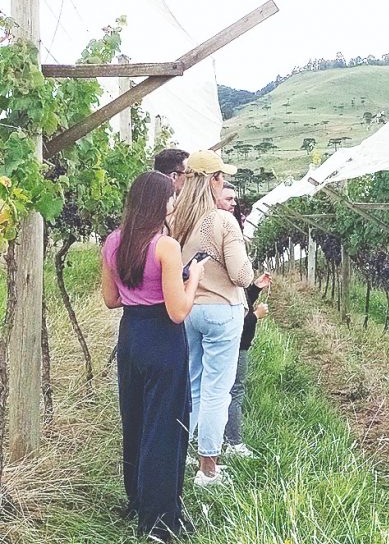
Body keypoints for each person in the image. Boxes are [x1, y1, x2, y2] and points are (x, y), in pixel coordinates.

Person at [101, 171, 207, 540]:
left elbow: (111, 299)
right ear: (158, 203)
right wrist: (192, 278)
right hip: (162, 338)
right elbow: (177, 311)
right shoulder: (165, 246)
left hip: (131, 336)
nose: (173, 203)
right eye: (170, 197)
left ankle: (137, 500)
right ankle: (160, 519)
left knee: (135, 420)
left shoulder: (113, 242)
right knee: (165, 427)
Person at [170, 150, 256, 486]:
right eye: (221, 177)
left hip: (189, 308)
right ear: (213, 181)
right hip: (223, 309)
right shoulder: (222, 220)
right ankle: (208, 468)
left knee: (193, 385)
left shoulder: (176, 219)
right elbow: (240, 274)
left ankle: (181, 455)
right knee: (218, 391)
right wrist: (247, 267)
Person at [215, 181, 271, 456]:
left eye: (235, 199)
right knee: (231, 390)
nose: (233, 203)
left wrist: (255, 289)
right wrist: (254, 318)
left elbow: (237, 293)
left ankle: (207, 446)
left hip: (233, 328)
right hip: (234, 333)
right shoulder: (223, 237)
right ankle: (231, 443)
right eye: (228, 198)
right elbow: (230, 301)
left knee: (217, 389)